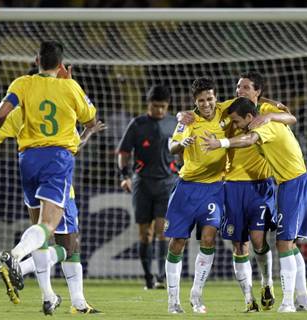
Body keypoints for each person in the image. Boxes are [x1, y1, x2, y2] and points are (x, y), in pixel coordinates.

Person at [0, 40, 97, 315]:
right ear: (62, 64)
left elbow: (1, 114)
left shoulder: (23, 84)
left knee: (43, 234)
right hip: (57, 158)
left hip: (27, 160)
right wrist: (70, 83)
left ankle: (49, 296)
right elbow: (90, 116)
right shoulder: (70, 87)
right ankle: (17, 257)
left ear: (36, 60)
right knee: (52, 228)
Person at [179, 71, 296, 312]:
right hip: (231, 185)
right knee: (239, 244)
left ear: (256, 92)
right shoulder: (226, 108)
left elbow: (290, 117)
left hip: (260, 184)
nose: (238, 92)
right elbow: (199, 109)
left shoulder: (264, 112)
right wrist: (182, 115)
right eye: (237, 88)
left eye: (244, 88)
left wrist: (273, 110)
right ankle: (248, 299)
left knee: (258, 240)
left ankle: (267, 282)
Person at [201, 96, 307, 313]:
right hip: (288, 184)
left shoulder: (265, 125)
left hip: (294, 183)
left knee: (284, 243)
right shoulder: (267, 118)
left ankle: (288, 303)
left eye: (237, 121)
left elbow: (249, 140)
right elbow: (286, 115)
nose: (235, 126)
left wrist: (220, 143)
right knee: (289, 244)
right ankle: (303, 300)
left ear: (250, 117)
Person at [0, 105, 104, 314]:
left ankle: (50, 297)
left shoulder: (20, 111)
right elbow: (74, 146)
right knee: (70, 247)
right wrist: (88, 131)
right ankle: (21, 266)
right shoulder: (62, 108)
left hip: (28, 173)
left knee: (41, 238)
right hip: (59, 184)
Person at [164, 77, 227, 314]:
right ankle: (173, 300)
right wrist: (183, 143)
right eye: (201, 100)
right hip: (187, 187)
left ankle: (196, 295)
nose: (206, 104)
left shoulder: (225, 111)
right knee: (177, 242)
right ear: (195, 102)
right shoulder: (189, 120)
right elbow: (172, 146)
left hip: (214, 188)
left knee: (209, 239)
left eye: (209, 98)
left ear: (215, 97)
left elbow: (248, 102)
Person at [117, 85, 178, 290]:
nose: (159, 110)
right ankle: (148, 278)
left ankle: (162, 276)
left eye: (162, 106)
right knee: (145, 234)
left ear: (167, 106)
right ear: (148, 104)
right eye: (155, 106)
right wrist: (124, 176)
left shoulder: (174, 124)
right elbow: (123, 152)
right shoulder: (137, 124)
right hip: (142, 183)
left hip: (167, 183)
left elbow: (185, 149)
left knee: (164, 232)